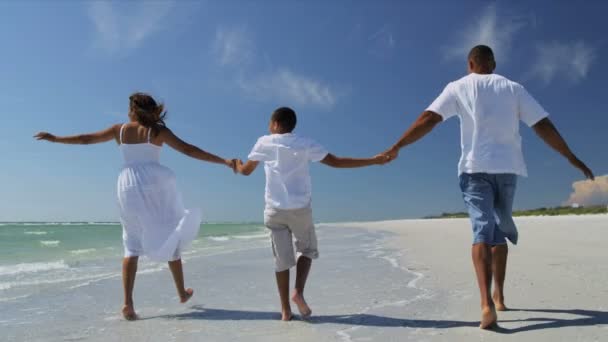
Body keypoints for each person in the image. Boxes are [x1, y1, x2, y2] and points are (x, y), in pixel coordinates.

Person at [381, 45, 594, 329]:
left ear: (470, 63)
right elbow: (542, 125)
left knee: (482, 229)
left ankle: (486, 304)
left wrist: (398, 146)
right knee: (498, 231)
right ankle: (500, 295)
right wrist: (570, 157)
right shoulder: (513, 87)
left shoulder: (458, 86)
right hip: (507, 169)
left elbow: (429, 118)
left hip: (474, 169)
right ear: (493, 64)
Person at [34, 92, 236, 321]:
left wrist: (55, 138)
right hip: (155, 184)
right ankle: (181, 292)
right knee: (171, 233)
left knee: (131, 244)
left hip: (127, 185)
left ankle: (128, 304)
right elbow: (189, 150)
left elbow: (86, 139)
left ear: (132, 109)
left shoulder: (119, 130)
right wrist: (224, 161)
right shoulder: (158, 131)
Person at [235, 107, 389, 321]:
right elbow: (336, 162)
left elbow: (246, 170)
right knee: (306, 249)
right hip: (300, 209)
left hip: (274, 211)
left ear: (276, 124)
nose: (268, 128)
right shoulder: (306, 143)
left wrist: (236, 164)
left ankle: (285, 311)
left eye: (270, 124)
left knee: (281, 261)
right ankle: (298, 292)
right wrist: (373, 160)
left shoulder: (264, 142)